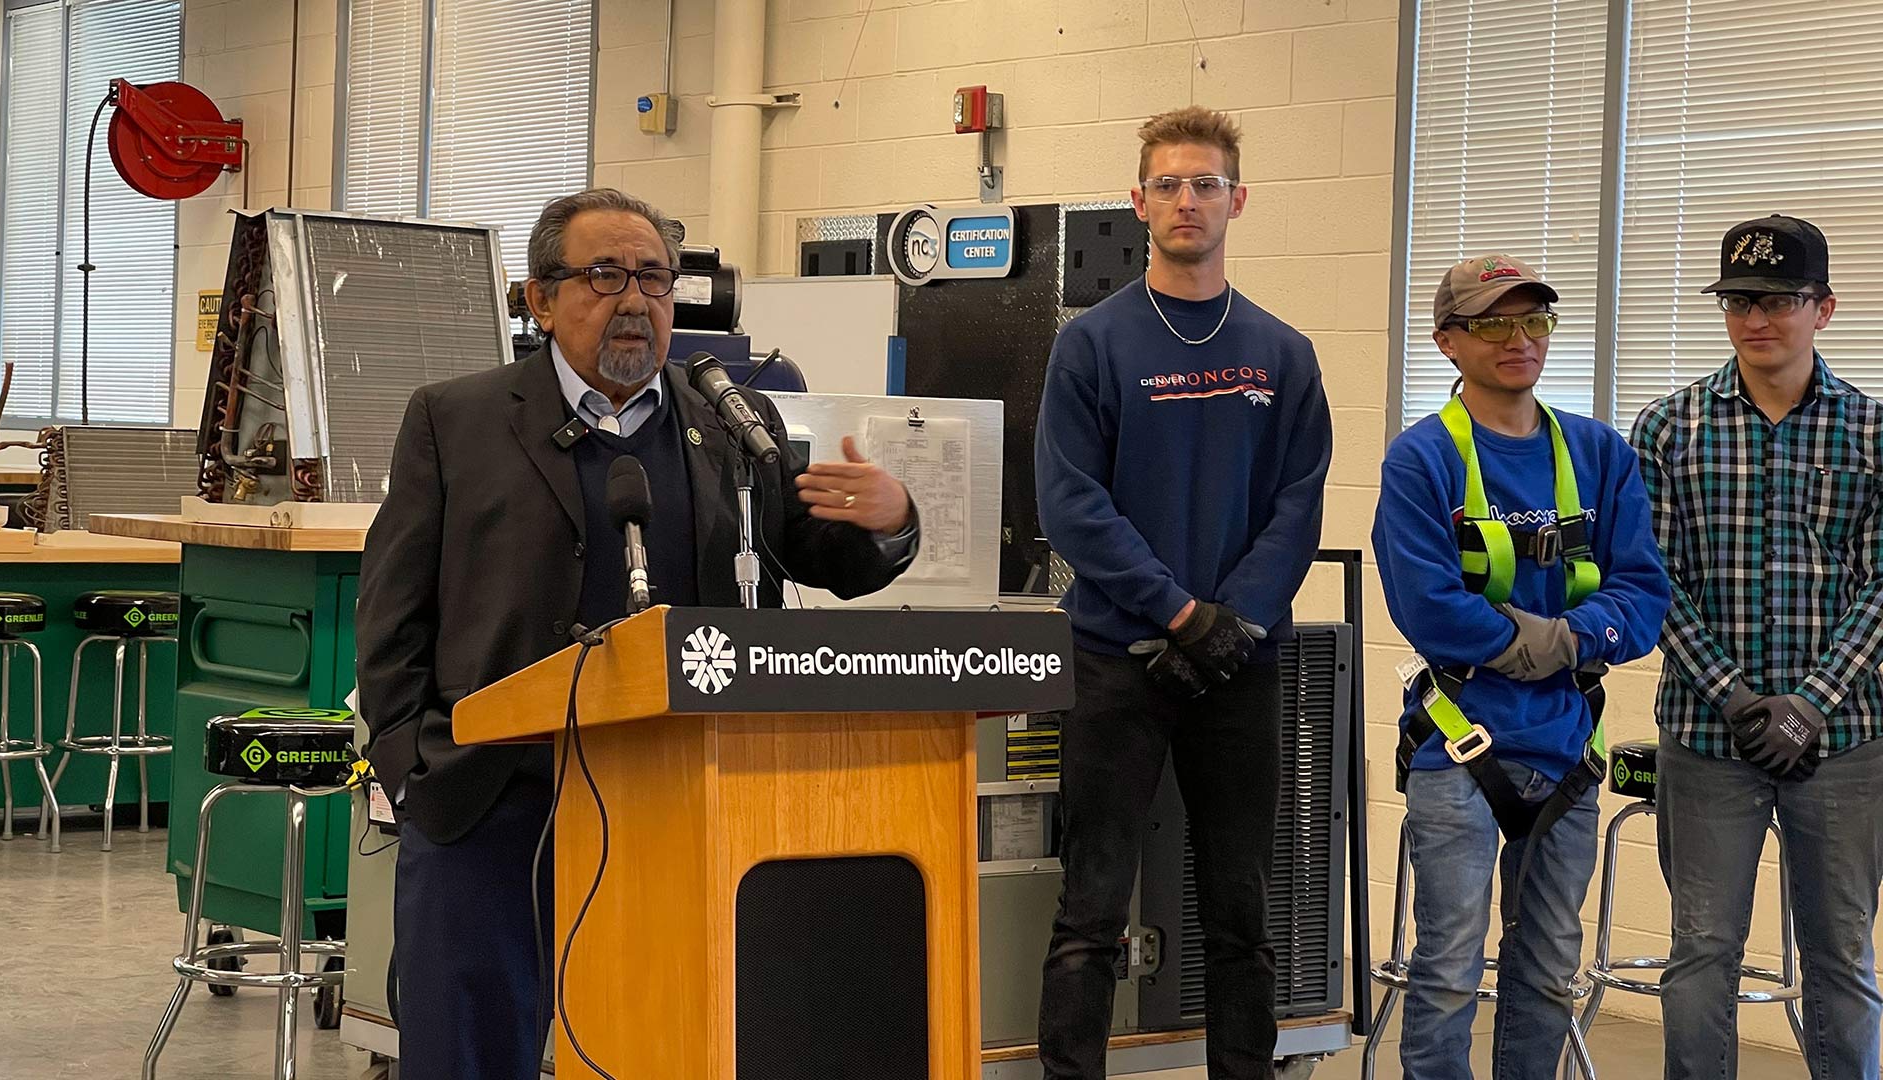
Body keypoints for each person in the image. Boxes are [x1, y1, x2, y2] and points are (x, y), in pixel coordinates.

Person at [354, 187, 918, 1080]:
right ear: (541, 300)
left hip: (679, 800)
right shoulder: (453, 420)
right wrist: (413, 767)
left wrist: (889, 522)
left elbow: (813, 551)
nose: (635, 300)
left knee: (663, 1047)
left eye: (654, 278)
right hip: (492, 802)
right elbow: (390, 613)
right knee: (466, 1054)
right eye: (603, 274)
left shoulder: (731, 424)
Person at [1032, 104, 1332, 1080]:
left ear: (1238, 200)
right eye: (1168, 183)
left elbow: (1297, 504)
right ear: (1138, 201)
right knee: (1091, 911)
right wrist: (1178, 612)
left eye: (1206, 183)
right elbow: (1071, 503)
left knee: (1241, 911)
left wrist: (1233, 621)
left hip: (1239, 667)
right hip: (1119, 662)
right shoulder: (1093, 347)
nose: (1187, 200)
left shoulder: (1282, 354)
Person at [1371, 255, 1669, 1079]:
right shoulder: (1422, 461)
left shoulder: (1600, 454)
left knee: (1544, 975)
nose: (1520, 340)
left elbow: (1644, 592)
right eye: (1494, 323)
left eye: (1535, 321)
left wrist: (1568, 644)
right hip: (1461, 753)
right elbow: (1427, 604)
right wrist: (1543, 643)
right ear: (1448, 342)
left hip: (1567, 755)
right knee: (1448, 972)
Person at [1632, 214, 1883, 1080]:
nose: (1756, 319)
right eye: (1739, 300)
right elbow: (1651, 579)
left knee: (1842, 960)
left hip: (1847, 741)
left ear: (1825, 308)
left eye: (1779, 300)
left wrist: (1812, 704)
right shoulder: (1668, 429)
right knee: (1702, 953)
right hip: (1709, 741)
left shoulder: (1873, 433)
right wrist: (1739, 699)